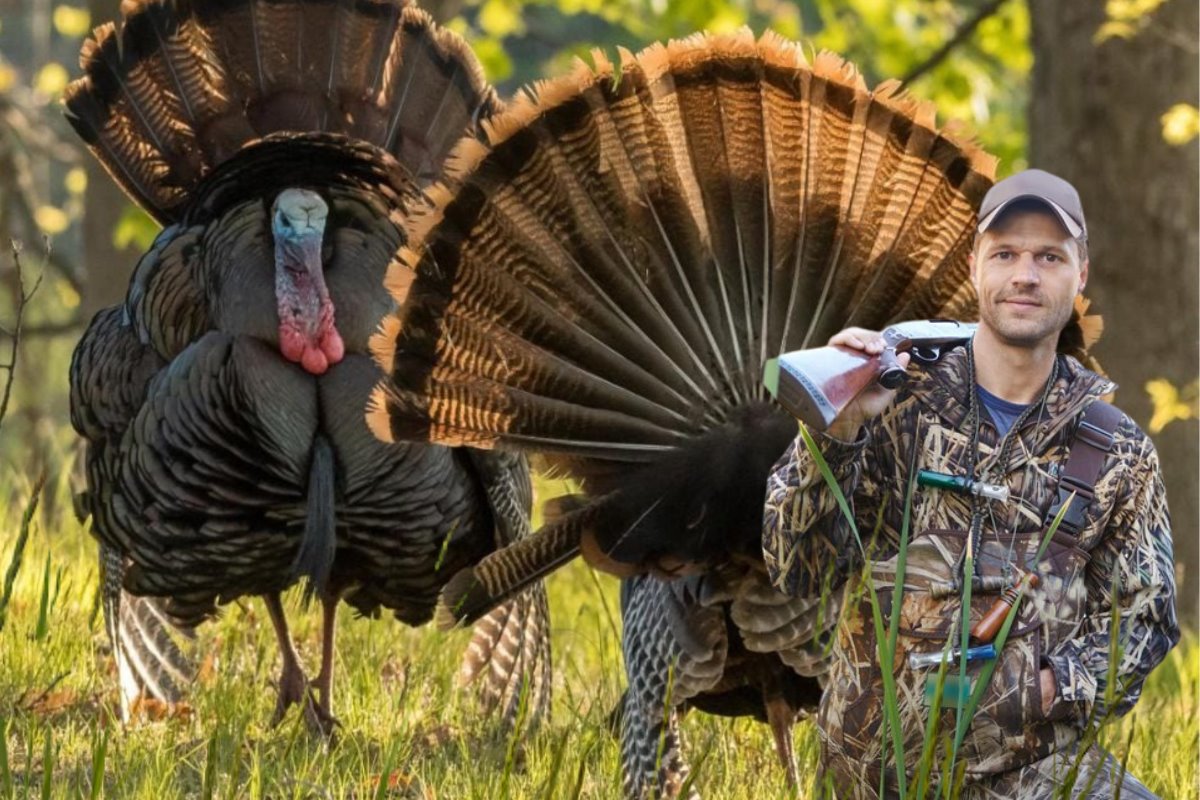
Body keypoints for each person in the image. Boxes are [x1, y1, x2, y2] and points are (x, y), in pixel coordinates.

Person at [762, 169, 1180, 798]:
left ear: (1081, 274)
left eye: (1049, 257)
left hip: (1023, 769)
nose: (1025, 275)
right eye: (1005, 253)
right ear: (974, 265)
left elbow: (1143, 618)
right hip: (873, 771)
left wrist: (1053, 688)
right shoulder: (892, 404)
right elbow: (798, 569)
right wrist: (836, 431)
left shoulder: (1117, 447)